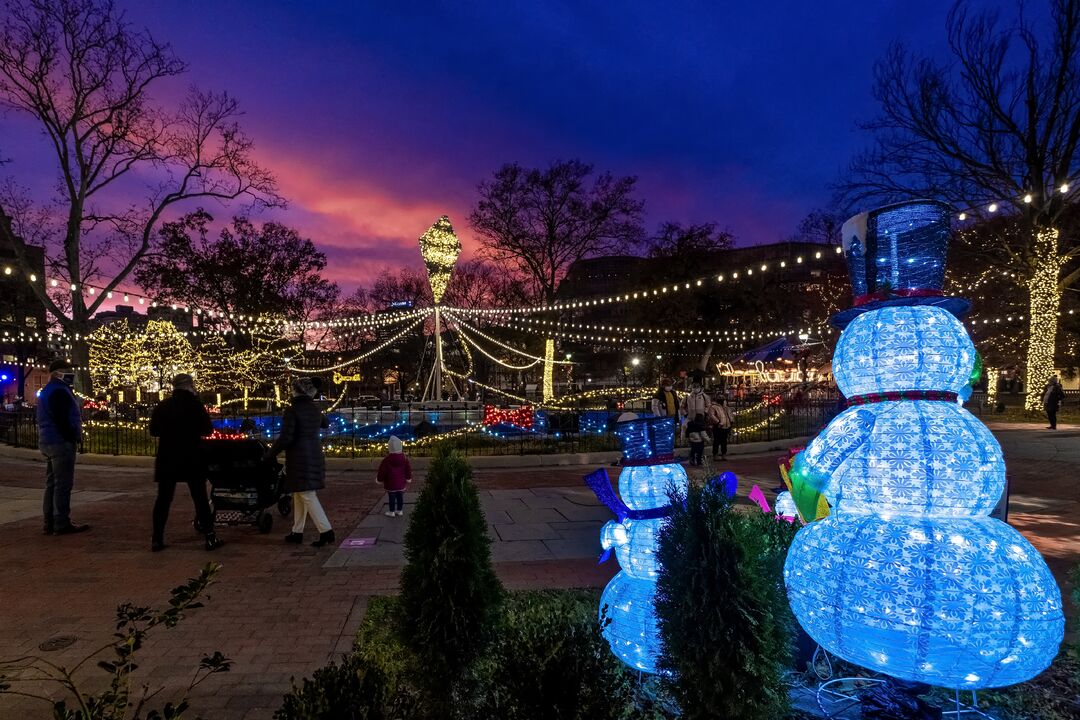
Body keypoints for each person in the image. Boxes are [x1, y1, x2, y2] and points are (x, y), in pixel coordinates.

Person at [149, 374, 222, 552]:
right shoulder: (195, 405)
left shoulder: (163, 405)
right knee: (199, 498)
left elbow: (153, 430)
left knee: (164, 499)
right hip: (191, 457)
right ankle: (210, 536)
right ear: (189, 386)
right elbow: (207, 429)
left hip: (168, 457)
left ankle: (157, 538)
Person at [268, 377, 334, 547]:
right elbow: (325, 424)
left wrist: (269, 454)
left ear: (295, 390)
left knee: (307, 494)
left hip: (299, 457)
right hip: (314, 454)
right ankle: (297, 531)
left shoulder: (292, 410)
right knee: (299, 493)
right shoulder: (314, 409)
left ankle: (326, 531)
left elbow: (286, 438)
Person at [36, 359, 88, 535]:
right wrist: (72, 436)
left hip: (47, 440)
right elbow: (62, 419)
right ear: (57, 372)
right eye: (67, 370)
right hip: (60, 442)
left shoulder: (48, 390)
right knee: (62, 484)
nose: (71, 373)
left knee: (51, 482)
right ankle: (61, 521)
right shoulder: (60, 391)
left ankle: (49, 521)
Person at [377, 435, 412, 517]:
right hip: (401, 482)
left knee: (391, 497)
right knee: (400, 497)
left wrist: (379, 479)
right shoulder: (404, 458)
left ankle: (391, 511)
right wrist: (408, 478)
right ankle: (400, 510)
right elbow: (408, 469)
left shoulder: (386, 460)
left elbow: (382, 471)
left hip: (390, 483)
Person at [707, 395, 734, 461]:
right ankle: (715, 455)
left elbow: (730, 414)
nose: (722, 400)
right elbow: (712, 415)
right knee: (717, 441)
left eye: (723, 399)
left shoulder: (726, 407)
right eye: (720, 399)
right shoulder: (714, 407)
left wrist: (731, 421)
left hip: (726, 426)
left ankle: (723, 454)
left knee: (724, 441)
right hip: (718, 426)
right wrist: (718, 422)